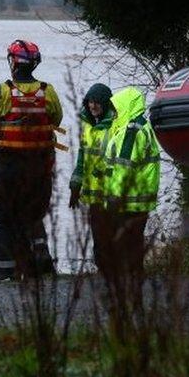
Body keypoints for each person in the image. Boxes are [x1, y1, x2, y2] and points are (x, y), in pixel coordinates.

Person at [0, 40, 63, 282]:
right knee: (34, 216)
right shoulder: (48, 92)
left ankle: (6, 271)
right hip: (39, 166)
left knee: (3, 218)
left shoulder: (1, 91)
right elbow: (56, 117)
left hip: (7, 167)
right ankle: (41, 266)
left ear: (13, 62)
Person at [101, 87, 161, 292]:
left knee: (124, 240)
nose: (115, 114)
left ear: (126, 107)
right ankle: (135, 275)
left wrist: (114, 199)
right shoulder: (143, 127)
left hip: (128, 198)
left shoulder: (132, 131)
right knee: (134, 239)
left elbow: (123, 167)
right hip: (139, 198)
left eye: (117, 110)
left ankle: (126, 280)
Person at [68, 83, 117, 274]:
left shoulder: (114, 126)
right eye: (90, 102)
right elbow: (82, 157)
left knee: (111, 231)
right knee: (97, 231)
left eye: (97, 102)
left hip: (111, 190)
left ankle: (114, 268)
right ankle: (102, 268)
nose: (92, 106)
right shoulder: (88, 126)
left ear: (105, 104)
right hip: (93, 192)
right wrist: (75, 185)